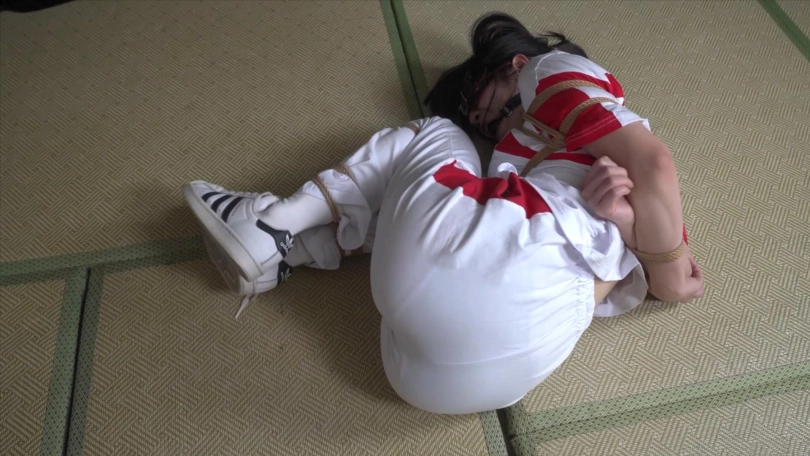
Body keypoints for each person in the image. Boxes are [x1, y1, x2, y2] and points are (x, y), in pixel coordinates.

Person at [181, 13, 702, 414]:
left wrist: (672, 275)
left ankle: (273, 223)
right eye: (482, 123)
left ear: (515, 66)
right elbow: (646, 271)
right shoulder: (615, 192)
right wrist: (633, 232)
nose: (484, 120)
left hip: (461, 311)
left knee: (438, 136)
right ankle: (296, 251)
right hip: (451, 385)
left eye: (481, 97)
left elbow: (655, 163)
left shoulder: (550, 71)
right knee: (441, 213)